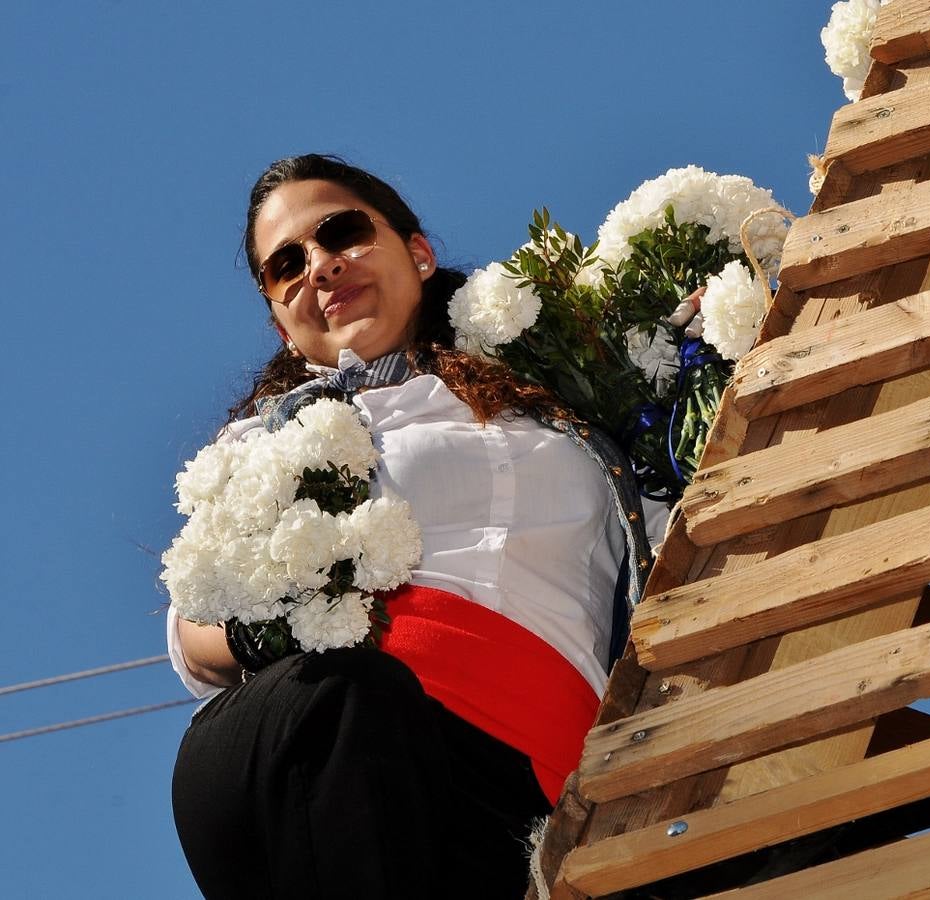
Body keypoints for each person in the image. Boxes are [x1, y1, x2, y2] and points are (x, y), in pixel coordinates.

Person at [167, 154, 650, 898]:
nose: (320, 266)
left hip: (529, 796)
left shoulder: (564, 394)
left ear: (417, 253)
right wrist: (283, 625)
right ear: (280, 321)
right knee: (349, 697)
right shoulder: (264, 446)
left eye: (341, 233)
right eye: (286, 264)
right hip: (331, 748)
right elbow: (192, 631)